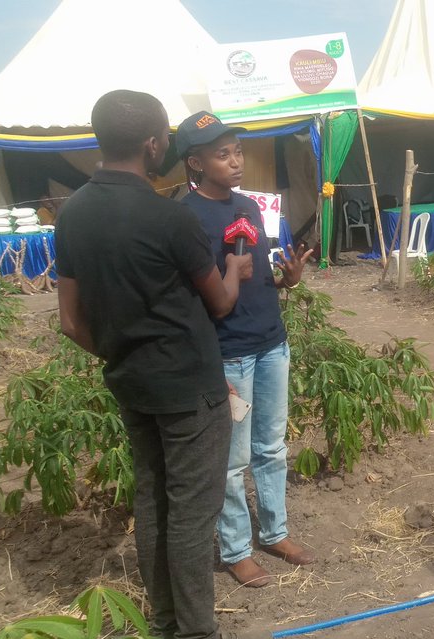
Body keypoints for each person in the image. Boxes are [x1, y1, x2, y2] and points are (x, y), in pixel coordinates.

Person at [55, 90, 270, 639]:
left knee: (153, 504)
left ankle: (163, 625)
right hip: (191, 388)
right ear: (155, 145)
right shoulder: (167, 215)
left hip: (132, 383)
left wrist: (123, 354)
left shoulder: (73, 212)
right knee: (192, 513)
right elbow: (221, 303)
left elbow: (70, 321)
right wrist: (235, 266)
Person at [176, 111, 316, 588]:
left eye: (237, 151)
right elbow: (202, 295)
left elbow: (259, 278)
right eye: (222, 154)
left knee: (272, 447)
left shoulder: (250, 208)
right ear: (195, 163)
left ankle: (275, 532)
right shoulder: (186, 218)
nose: (235, 161)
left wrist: (287, 280)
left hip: (271, 342)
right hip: (229, 352)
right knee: (233, 461)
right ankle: (236, 549)